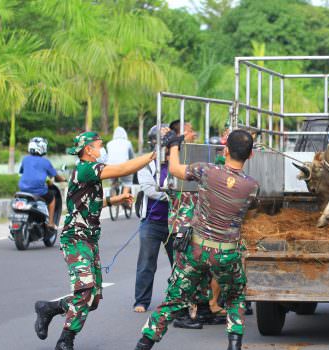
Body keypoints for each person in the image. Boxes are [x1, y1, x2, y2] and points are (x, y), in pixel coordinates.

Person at [135, 129, 259, 350]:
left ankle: (144, 344)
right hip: (227, 253)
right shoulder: (252, 187)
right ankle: (234, 345)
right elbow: (251, 210)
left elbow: (173, 169)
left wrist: (173, 145)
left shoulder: (206, 171)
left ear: (225, 150)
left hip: (197, 251)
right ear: (251, 156)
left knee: (174, 300)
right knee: (235, 297)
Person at [33, 131, 156, 350]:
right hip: (75, 238)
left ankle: (50, 308)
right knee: (86, 292)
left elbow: (87, 203)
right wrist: (151, 156)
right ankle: (65, 340)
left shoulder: (87, 172)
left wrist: (113, 199)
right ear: (88, 149)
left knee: (94, 299)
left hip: (88, 239)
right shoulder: (86, 168)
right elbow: (122, 169)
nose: (101, 150)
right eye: (99, 146)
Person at [133, 124, 197, 314]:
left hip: (175, 223)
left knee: (179, 264)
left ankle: (179, 300)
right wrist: (173, 193)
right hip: (152, 223)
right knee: (146, 263)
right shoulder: (146, 164)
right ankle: (141, 301)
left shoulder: (178, 161)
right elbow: (150, 189)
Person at [19, 137, 65, 229]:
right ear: (42, 148)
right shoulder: (45, 162)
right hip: (38, 190)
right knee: (52, 198)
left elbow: (23, 172)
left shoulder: (25, 159)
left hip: (23, 189)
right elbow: (55, 176)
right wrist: (63, 179)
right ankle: (51, 223)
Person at [106, 126, 135, 196]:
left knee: (112, 182)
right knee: (127, 182)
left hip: (110, 167)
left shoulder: (109, 144)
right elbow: (132, 157)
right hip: (123, 166)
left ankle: (113, 198)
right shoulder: (128, 143)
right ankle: (124, 198)